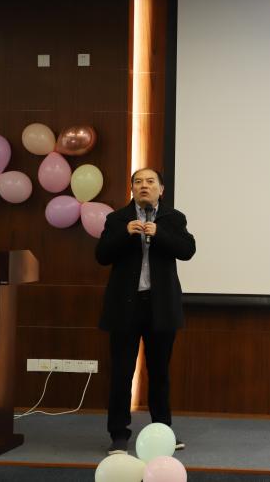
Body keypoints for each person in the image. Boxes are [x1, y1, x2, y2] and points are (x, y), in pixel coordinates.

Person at [95, 167, 196, 455]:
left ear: (161, 189)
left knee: (159, 373)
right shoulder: (117, 219)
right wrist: (124, 234)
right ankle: (118, 435)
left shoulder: (173, 218)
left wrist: (160, 233)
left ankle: (162, 431)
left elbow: (187, 250)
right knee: (121, 372)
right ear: (132, 189)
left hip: (161, 307)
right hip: (125, 307)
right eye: (138, 182)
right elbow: (101, 255)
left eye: (150, 182)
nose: (144, 186)